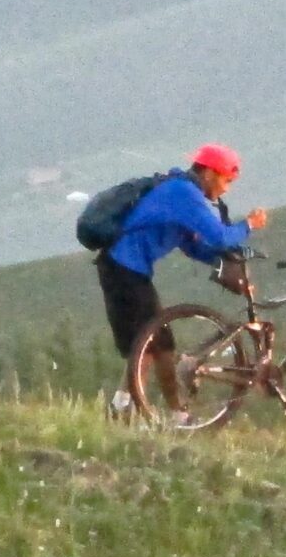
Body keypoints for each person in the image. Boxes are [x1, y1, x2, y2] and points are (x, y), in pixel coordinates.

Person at [95, 143, 268, 412]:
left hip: (130, 271)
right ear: (209, 173)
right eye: (227, 180)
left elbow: (192, 245)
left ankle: (164, 412)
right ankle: (127, 410)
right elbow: (219, 236)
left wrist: (222, 263)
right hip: (123, 269)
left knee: (156, 345)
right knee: (148, 345)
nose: (226, 189)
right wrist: (248, 225)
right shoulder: (184, 194)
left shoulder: (183, 192)